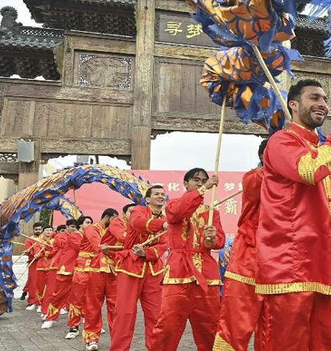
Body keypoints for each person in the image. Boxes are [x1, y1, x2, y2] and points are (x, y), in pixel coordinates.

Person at [256, 79, 331, 351]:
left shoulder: (322, 150)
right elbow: (309, 171)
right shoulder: (281, 142)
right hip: (289, 266)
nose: (323, 104)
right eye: (314, 98)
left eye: (325, 99)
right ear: (293, 104)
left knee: (328, 343)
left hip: (323, 265)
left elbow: (330, 205)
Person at [150, 168, 223, 351]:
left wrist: (211, 238)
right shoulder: (174, 205)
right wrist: (203, 189)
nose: (200, 182)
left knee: (211, 327)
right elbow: (178, 213)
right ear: (185, 183)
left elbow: (219, 242)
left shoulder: (211, 212)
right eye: (195, 180)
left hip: (206, 273)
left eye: (203, 180)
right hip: (178, 272)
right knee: (167, 326)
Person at [214, 140, 270, 351]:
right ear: (264, 156)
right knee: (235, 326)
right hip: (249, 256)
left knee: (274, 328)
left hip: (281, 261)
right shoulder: (254, 177)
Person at [110, 186, 168, 351]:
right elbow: (138, 223)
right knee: (124, 314)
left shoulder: (166, 219)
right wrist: (162, 224)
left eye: (163, 194)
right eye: (156, 194)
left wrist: (147, 252)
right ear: (147, 198)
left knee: (156, 315)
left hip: (154, 270)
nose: (161, 196)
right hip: (130, 267)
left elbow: (165, 244)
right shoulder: (138, 210)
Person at [81, 208, 120, 351]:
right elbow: (100, 247)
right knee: (93, 306)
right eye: (114, 219)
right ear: (107, 217)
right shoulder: (92, 228)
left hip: (112, 271)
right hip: (96, 270)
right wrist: (120, 250)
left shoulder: (114, 230)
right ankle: (91, 339)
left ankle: (117, 341)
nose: (116, 222)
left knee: (115, 307)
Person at [42, 219, 81, 329]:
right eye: (72, 226)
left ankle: (84, 318)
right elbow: (72, 245)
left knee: (81, 296)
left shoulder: (81, 235)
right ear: (67, 226)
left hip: (79, 268)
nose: (74, 229)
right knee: (58, 294)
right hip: (65, 267)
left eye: (75, 227)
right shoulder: (62, 236)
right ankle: (50, 317)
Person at [65, 215, 94, 339]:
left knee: (92, 299)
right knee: (76, 298)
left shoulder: (93, 235)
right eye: (87, 222)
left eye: (91, 223)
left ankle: (92, 325)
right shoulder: (75, 236)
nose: (90, 224)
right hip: (80, 270)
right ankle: (73, 326)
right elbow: (80, 247)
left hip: (93, 270)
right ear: (80, 224)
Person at [21, 222, 44, 301]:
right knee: (33, 280)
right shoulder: (29, 239)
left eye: (39, 229)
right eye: (36, 229)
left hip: (44, 262)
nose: (38, 231)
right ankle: (32, 300)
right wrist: (30, 253)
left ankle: (39, 299)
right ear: (33, 230)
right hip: (33, 262)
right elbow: (28, 250)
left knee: (41, 281)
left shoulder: (45, 239)